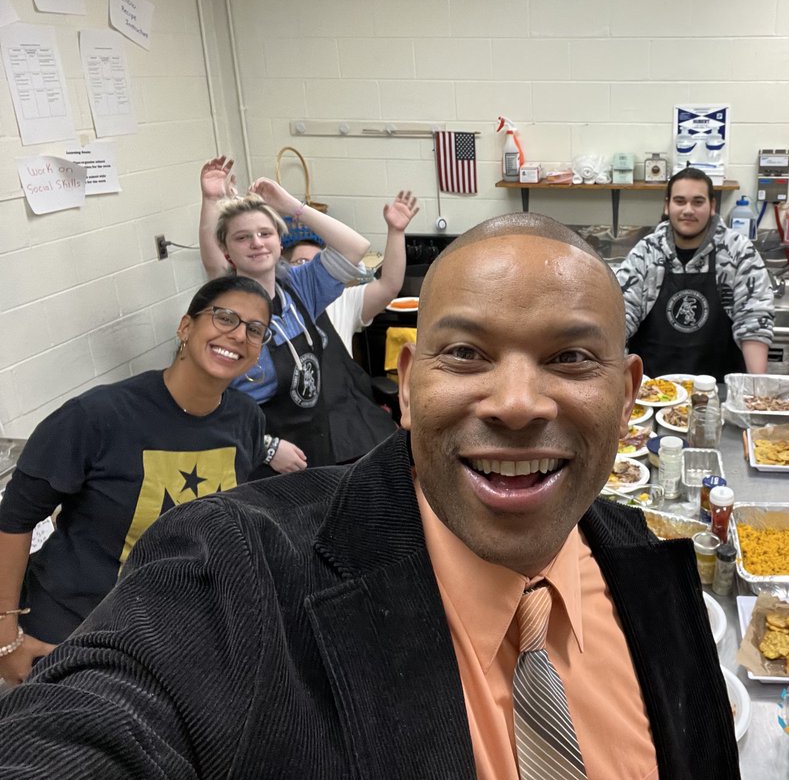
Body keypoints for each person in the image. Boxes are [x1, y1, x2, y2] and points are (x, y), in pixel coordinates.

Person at [0, 213, 739, 778]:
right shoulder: (236, 569)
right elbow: (95, 724)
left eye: (571, 357)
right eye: (467, 354)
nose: (517, 404)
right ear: (410, 386)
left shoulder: (654, 570)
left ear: (628, 392)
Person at [0, 276, 271, 683]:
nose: (237, 334)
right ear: (185, 327)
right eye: (225, 317)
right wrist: (6, 635)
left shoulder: (247, 420)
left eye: (255, 329)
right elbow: (14, 518)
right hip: (74, 630)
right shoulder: (97, 415)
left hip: (169, 630)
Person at [197, 156, 398, 475]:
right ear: (227, 252)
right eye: (242, 237)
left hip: (317, 442)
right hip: (260, 458)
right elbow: (202, 402)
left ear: (280, 242)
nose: (256, 243)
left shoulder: (299, 287)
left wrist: (292, 206)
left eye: (266, 233)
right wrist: (268, 448)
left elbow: (355, 247)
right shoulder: (225, 315)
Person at [617, 167, 774, 377]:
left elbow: (754, 320)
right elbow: (619, 316)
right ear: (667, 205)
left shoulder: (738, 251)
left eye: (698, 202)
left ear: (712, 206)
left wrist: (757, 387)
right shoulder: (646, 252)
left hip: (719, 390)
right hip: (651, 390)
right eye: (680, 201)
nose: (688, 210)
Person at [281, 188, 419, 354]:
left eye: (317, 265)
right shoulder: (278, 312)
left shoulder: (342, 302)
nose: (311, 272)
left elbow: (389, 285)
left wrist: (396, 232)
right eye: (301, 262)